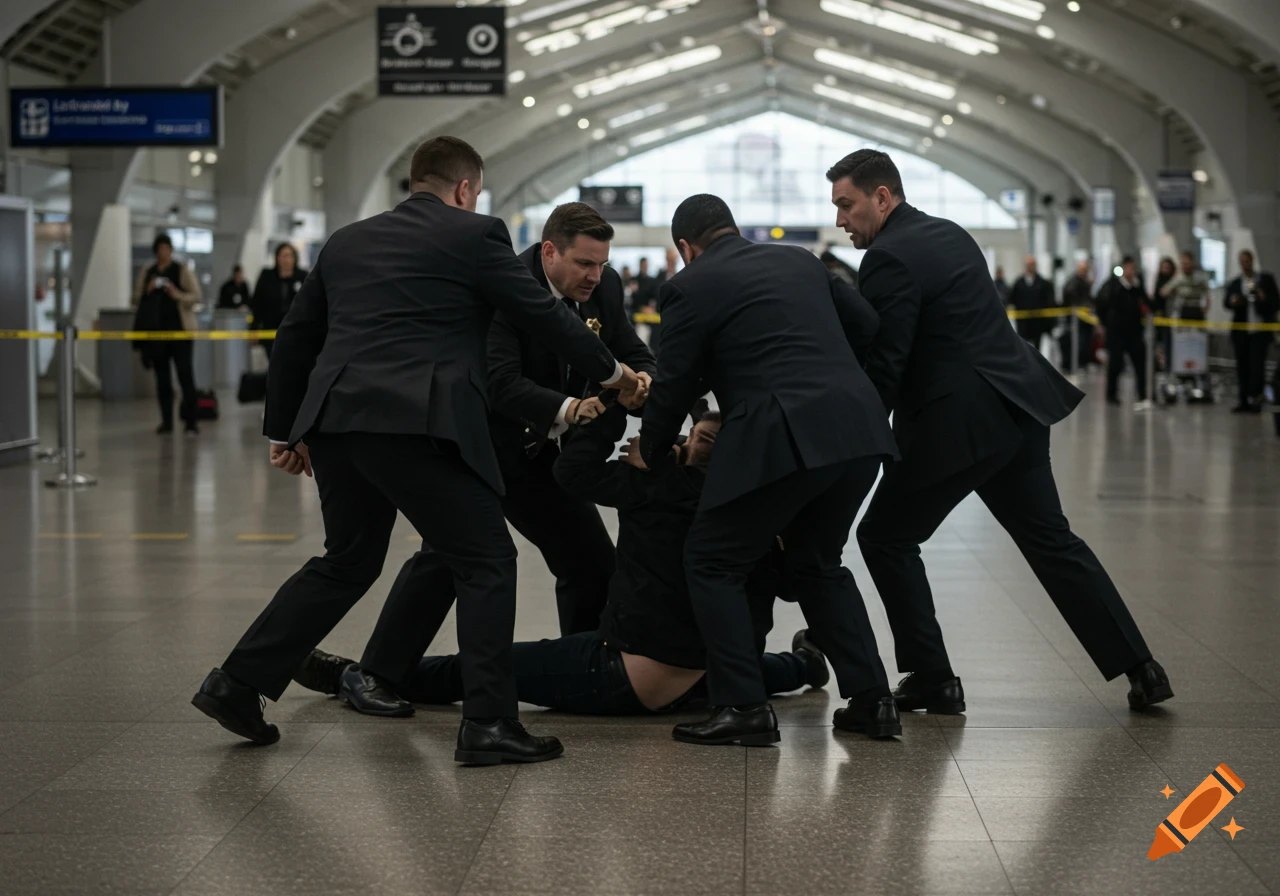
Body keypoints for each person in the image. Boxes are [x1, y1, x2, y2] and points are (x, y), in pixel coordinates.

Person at [190, 136, 640, 766]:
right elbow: (544, 314)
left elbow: (297, 334)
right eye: (476, 192)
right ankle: (488, 724)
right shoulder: (475, 235)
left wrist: (284, 429)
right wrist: (615, 374)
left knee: (346, 560)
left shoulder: (347, 239)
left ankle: (236, 683)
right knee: (485, 559)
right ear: (464, 189)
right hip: (414, 424)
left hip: (335, 422)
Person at [827, 149, 1172, 719]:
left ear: (882, 197)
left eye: (847, 204)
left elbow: (888, 365)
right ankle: (1142, 668)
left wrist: (854, 441)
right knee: (1052, 541)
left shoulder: (887, 259)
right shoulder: (950, 233)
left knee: (884, 537)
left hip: (958, 425)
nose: (841, 219)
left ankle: (933, 678)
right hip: (1019, 408)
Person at [292, 403, 829, 714]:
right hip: (708, 673)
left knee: (479, 669)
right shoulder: (756, 509)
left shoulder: (658, 487)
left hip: (629, 676)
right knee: (762, 667)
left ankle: (360, 676)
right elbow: (786, 583)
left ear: (692, 450)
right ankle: (804, 663)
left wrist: (612, 408)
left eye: (694, 438)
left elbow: (571, 471)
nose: (683, 438)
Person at [340, 204, 656, 701]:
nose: (596, 276)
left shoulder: (605, 288)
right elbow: (499, 382)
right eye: (584, 264)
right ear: (549, 251)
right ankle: (376, 673)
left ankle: (586, 669)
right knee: (447, 559)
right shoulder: (502, 285)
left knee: (590, 561)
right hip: (482, 446)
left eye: (602, 264)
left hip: (545, 455)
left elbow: (625, 347)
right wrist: (571, 408)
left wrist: (644, 376)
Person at [636, 194, 900, 747]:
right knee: (817, 561)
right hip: (859, 427)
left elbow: (675, 382)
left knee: (711, 559)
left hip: (781, 434)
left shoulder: (688, 285)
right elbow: (867, 323)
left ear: (685, 247)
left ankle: (742, 706)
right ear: (732, 228)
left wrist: (653, 450)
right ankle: (874, 701)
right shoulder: (799, 260)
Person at [131, 233, 202, 435]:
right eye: (160, 249)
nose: (163, 253)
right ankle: (166, 420)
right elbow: (135, 298)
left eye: (166, 249)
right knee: (162, 379)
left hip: (180, 332)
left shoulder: (181, 270)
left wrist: (175, 293)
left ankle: (191, 420)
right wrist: (148, 288)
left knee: (185, 375)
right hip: (157, 333)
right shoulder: (148, 271)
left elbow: (196, 296)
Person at [1224, 249, 1278, 413]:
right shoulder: (1235, 283)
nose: (1245, 264)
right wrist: (1234, 301)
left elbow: (1276, 302)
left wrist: (1263, 297)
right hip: (1241, 331)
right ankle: (1243, 400)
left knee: (1257, 366)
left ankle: (1257, 399)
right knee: (1242, 366)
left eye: (1247, 261)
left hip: (1260, 331)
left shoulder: (1265, 280)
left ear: (1252, 261)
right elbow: (1227, 302)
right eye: (1242, 262)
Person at [1096, 256, 1151, 409]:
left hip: (1135, 332)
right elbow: (1101, 303)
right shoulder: (1113, 285)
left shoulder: (1137, 286)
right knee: (1115, 364)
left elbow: (1146, 303)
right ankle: (1111, 394)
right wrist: (1104, 323)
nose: (1130, 271)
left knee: (1140, 363)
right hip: (1116, 332)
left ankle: (1143, 393)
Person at [1160, 250, 1213, 398]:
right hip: (1183, 313)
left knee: (1198, 345)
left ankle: (1199, 378)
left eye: (1187, 263)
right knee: (1182, 345)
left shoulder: (1199, 277)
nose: (1185, 266)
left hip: (1197, 313)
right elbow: (1164, 291)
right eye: (1183, 263)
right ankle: (1181, 376)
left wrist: (1206, 307)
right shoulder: (1179, 278)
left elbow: (1207, 292)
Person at [250, 243, 308, 359]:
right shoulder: (267, 277)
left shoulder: (303, 277)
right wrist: (254, 329)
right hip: (271, 330)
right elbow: (257, 304)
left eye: (289, 256)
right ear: (277, 258)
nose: (286, 260)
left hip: (296, 331)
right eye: (283, 256)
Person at [1009, 255, 1056, 351]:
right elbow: (1012, 299)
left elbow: (1048, 301)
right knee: (1023, 348)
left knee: (1037, 347)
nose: (1030, 267)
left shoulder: (1043, 283)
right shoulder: (1019, 283)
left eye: (1032, 264)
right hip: (1023, 323)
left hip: (1037, 322)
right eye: (1028, 264)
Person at [1059, 259, 1095, 371]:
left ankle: (1083, 363)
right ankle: (1077, 364)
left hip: (1085, 318)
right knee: (1079, 342)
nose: (1084, 271)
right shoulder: (1074, 282)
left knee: (1086, 342)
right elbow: (1071, 298)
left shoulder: (1084, 282)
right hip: (1077, 319)